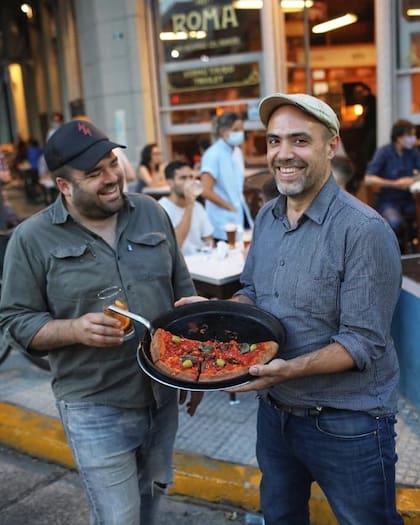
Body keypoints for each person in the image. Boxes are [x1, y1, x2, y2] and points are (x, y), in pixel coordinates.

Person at [177, 93, 403, 525]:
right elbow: (253, 295)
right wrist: (216, 312)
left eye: (299, 140)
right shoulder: (267, 216)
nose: (283, 154)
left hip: (348, 424)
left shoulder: (364, 230)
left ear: (330, 145)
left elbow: (362, 343)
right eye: (273, 141)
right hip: (276, 414)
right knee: (280, 518)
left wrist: (286, 368)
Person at [0, 120, 201, 525]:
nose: (112, 178)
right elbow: (14, 321)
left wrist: (192, 369)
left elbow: (182, 290)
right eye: (94, 174)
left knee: (152, 501)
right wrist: (75, 329)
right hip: (95, 407)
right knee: (118, 518)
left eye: (112, 163)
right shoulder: (32, 238)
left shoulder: (150, 212)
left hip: (162, 400)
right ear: (64, 186)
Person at [364, 118, 420, 246]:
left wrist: (413, 179)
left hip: (409, 199)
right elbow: (369, 178)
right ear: (399, 137)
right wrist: (395, 184)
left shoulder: (413, 152)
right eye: (410, 135)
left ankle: (412, 248)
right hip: (388, 201)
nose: (413, 138)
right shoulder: (384, 152)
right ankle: (396, 252)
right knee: (394, 222)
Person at [200, 111, 253, 241]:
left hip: (239, 215)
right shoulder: (212, 154)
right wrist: (229, 207)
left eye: (241, 129)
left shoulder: (237, 152)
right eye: (236, 129)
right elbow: (205, 191)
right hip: (221, 220)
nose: (240, 133)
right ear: (223, 131)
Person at [159, 160, 213, 255]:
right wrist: (189, 206)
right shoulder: (161, 208)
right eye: (183, 178)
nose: (189, 182)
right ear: (170, 183)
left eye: (191, 177)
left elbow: (208, 239)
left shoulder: (198, 206)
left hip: (201, 262)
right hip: (180, 266)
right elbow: (175, 245)